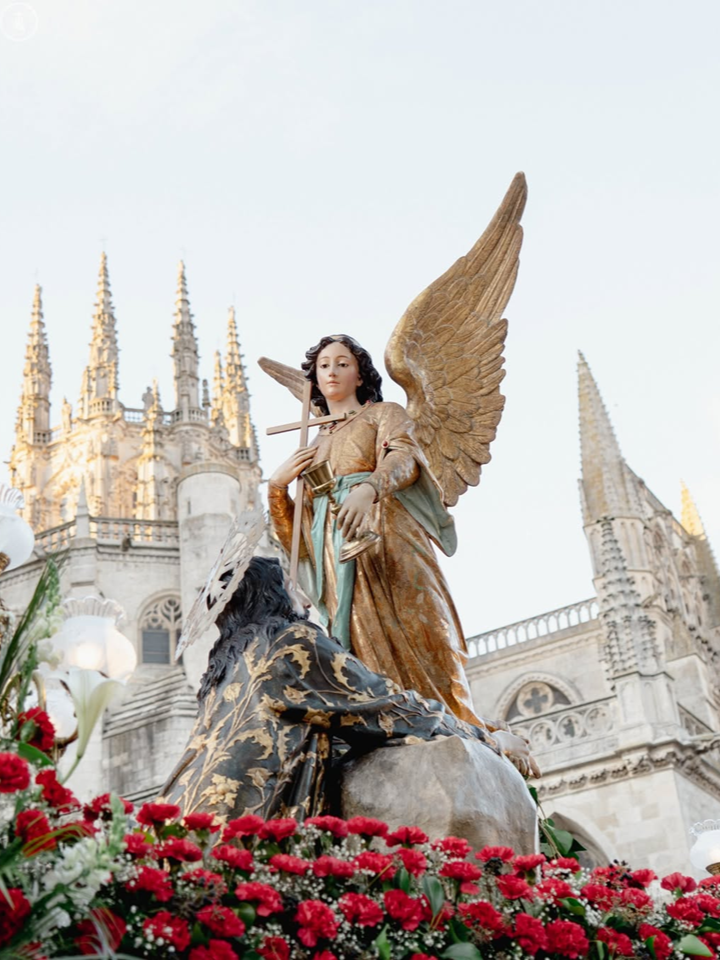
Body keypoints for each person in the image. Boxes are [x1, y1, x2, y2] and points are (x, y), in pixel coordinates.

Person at [160, 557, 502, 821]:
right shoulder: (290, 643)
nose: (307, 603)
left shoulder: (222, 671)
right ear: (271, 593)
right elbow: (388, 708)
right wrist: (490, 740)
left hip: (183, 813)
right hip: (248, 822)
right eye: (293, 587)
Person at [268, 335, 480, 725]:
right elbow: (298, 534)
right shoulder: (312, 443)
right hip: (339, 553)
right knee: (358, 645)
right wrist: (277, 488)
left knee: (426, 628)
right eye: (324, 365)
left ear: (360, 374)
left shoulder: (384, 414)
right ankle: (385, 718)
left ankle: (455, 719)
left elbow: (406, 456)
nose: (332, 371)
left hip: (389, 534)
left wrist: (369, 488)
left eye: (342, 363)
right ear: (314, 378)